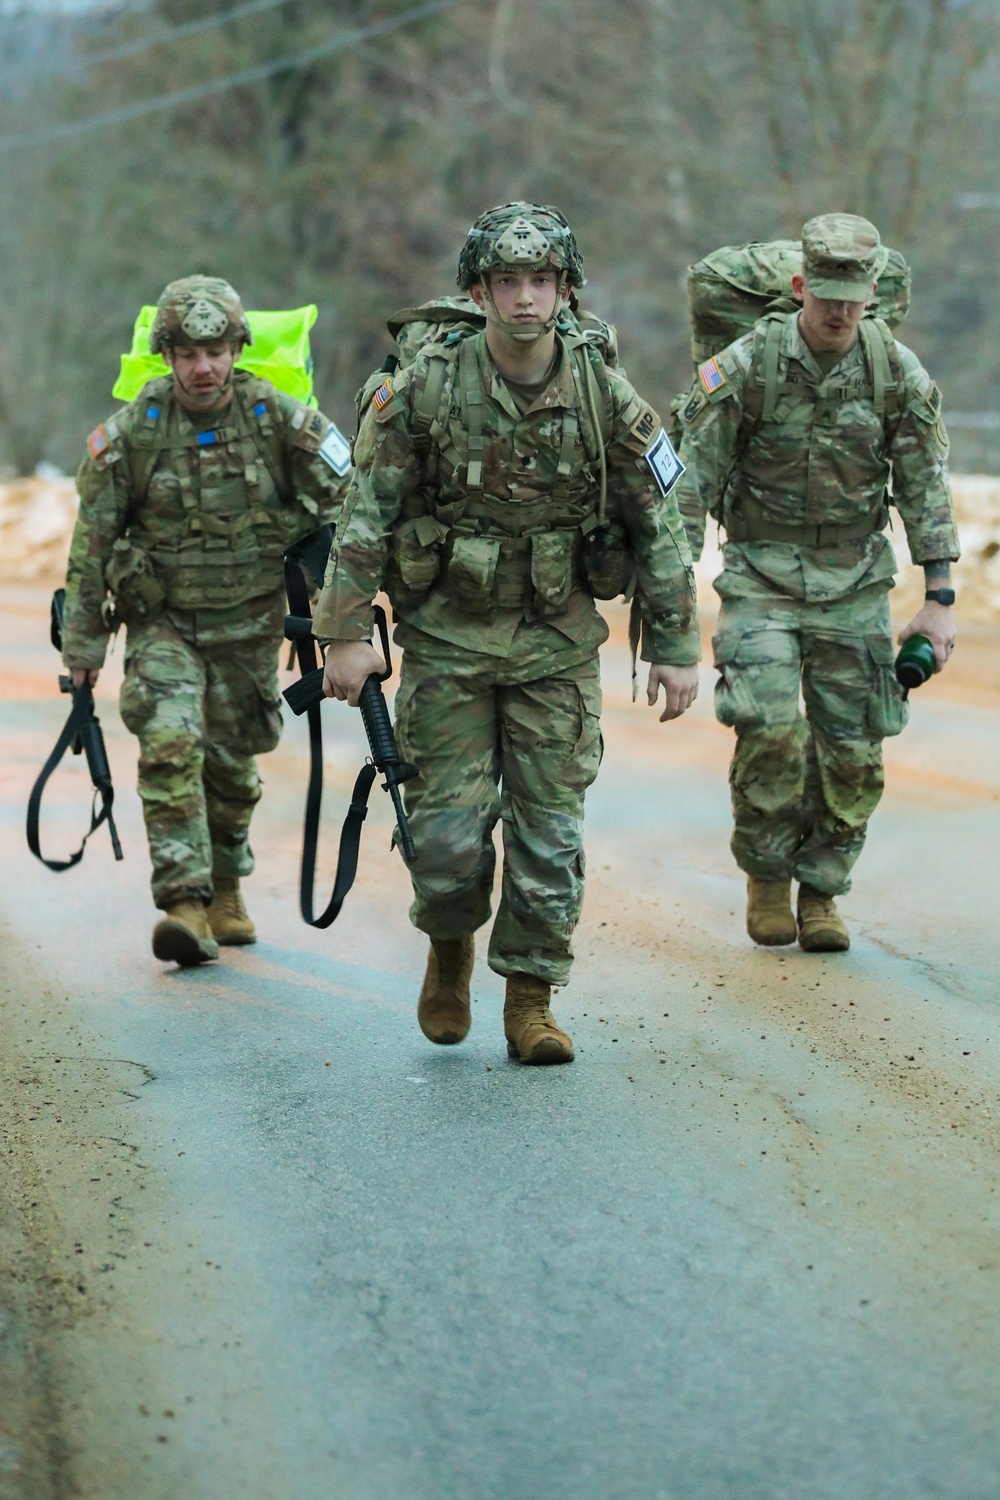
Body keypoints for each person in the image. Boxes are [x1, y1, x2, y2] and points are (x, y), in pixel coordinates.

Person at [314, 201, 699, 1065]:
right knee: (446, 838)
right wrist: (342, 632)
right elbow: (366, 511)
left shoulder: (603, 391)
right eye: (508, 280)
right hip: (448, 639)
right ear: (479, 291)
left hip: (556, 644)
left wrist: (675, 645)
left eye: (542, 280)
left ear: (566, 290)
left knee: (549, 836)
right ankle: (449, 947)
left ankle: (531, 998)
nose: (526, 297)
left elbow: (657, 518)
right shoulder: (427, 387)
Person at [674, 213, 959, 952]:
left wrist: (939, 598)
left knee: (854, 747)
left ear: (871, 296)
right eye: (826, 296)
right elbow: (690, 481)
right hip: (760, 577)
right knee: (768, 727)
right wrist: (669, 599)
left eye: (852, 300)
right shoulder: (747, 365)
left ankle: (823, 888)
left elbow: (925, 484)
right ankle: (768, 876)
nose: (838, 313)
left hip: (855, 582)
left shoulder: (893, 369)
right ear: (801, 286)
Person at [60, 275, 351, 966]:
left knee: (230, 766)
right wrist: (83, 648)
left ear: (236, 348)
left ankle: (226, 888)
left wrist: (344, 613)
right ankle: (184, 905)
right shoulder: (133, 434)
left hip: (250, 627)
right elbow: (92, 545)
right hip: (164, 627)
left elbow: (348, 506)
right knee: (170, 744)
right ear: (166, 355)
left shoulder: (278, 420)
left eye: (215, 351)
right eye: (188, 354)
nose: (203, 368)